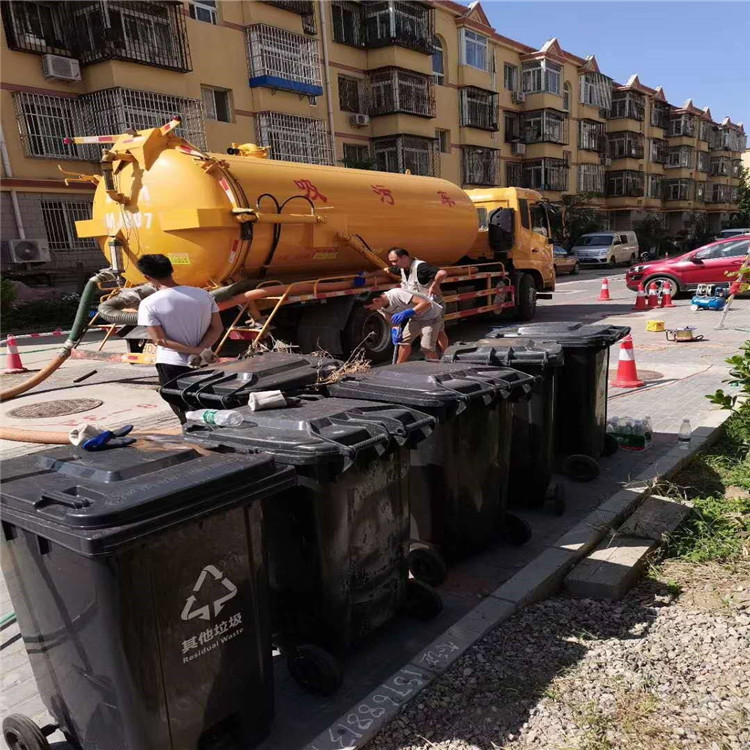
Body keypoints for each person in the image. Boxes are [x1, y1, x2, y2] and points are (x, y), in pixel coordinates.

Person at [136, 254, 223, 422]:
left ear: (147, 277)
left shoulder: (149, 303)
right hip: (205, 363)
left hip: (172, 365)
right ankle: (217, 441)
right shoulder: (203, 295)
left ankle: (199, 444)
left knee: (186, 414)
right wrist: (201, 351)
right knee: (208, 408)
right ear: (172, 270)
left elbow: (159, 340)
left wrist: (195, 351)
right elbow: (217, 328)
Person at [387, 247, 449, 353]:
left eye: (395, 261)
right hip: (419, 307)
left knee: (439, 331)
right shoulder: (401, 268)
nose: (393, 264)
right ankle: (432, 354)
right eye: (391, 262)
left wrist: (434, 285)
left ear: (405, 257)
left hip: (434, 306)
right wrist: (367, 275)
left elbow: (442, 273)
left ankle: (446, 354)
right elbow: (385, 270)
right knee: (423, 334)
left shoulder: (421, 267)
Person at [365, 288, 444, 364]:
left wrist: (409, 312)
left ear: (375, 300)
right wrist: (395, 331)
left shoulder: (396, 294)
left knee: (427, 348)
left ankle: (437, 370)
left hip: (431, 316)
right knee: (403, 342)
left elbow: (426, 303)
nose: (371, 309)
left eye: (370, 307)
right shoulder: (380, 307)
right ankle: (399, 367)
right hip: (416, 318)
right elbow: (392, 321)